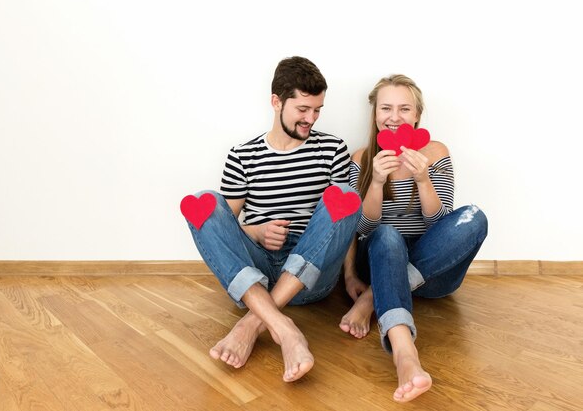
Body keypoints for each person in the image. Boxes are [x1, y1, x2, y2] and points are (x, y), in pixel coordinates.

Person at [183, 56, 361, 382]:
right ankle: (284, 328)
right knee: (202, 203)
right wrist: (257, 232)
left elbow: (340, 223)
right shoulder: (243, 155)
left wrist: (350, 277)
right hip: (258, 271)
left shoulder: (332, 149)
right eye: (302, 110)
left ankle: (252, 323)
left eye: (317, 109)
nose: (311, 118)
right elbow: (227, 226)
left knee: (347, 198)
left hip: (310, 273)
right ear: (276, 102)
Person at [339, 74, 488, 402]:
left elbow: (439, 222)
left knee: (474, 216)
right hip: (380, 256)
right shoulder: (361, 158)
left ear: (417, 114)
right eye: (386, 108)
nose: (395, 117)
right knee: (387, 234)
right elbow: (362, 228)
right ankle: (405, 355)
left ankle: (371, 299)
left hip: (432, 274)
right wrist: (376, 182)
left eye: (404, 108)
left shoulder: (435, 152)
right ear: (375, 115)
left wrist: (423, 178)